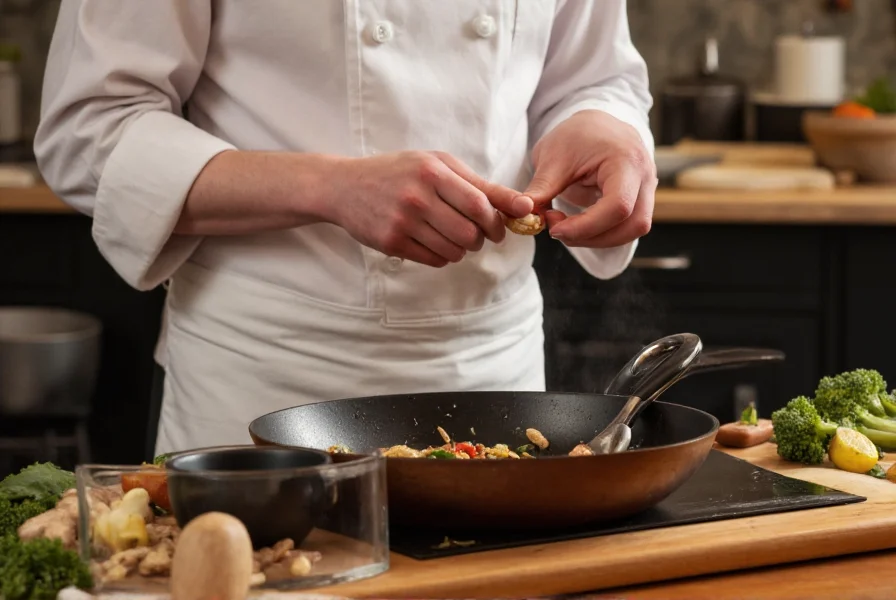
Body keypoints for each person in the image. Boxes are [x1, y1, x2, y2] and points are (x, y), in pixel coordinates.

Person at [34, 1, 657, 455]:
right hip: (266, 393)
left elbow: (591, 76)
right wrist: (328, 187)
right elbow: (90, 130)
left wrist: (602, 126)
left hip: (496, 381)